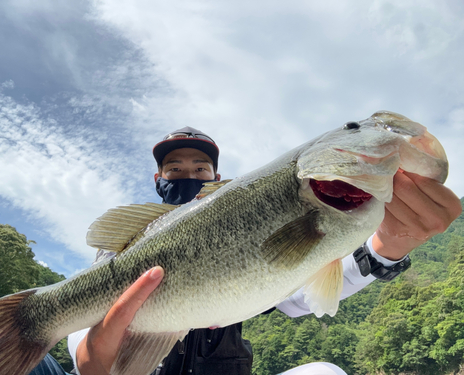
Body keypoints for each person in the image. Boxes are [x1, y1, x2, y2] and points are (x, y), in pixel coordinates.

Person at [65, 127, 461, 375]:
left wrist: (389, 248)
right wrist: (90, 361)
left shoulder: (252, 230)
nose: (188, 174)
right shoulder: (123, 246)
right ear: (158, 179)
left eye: (200, 168)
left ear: (216, 180)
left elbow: (301, 296)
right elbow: (86, 319)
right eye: (175, 169)